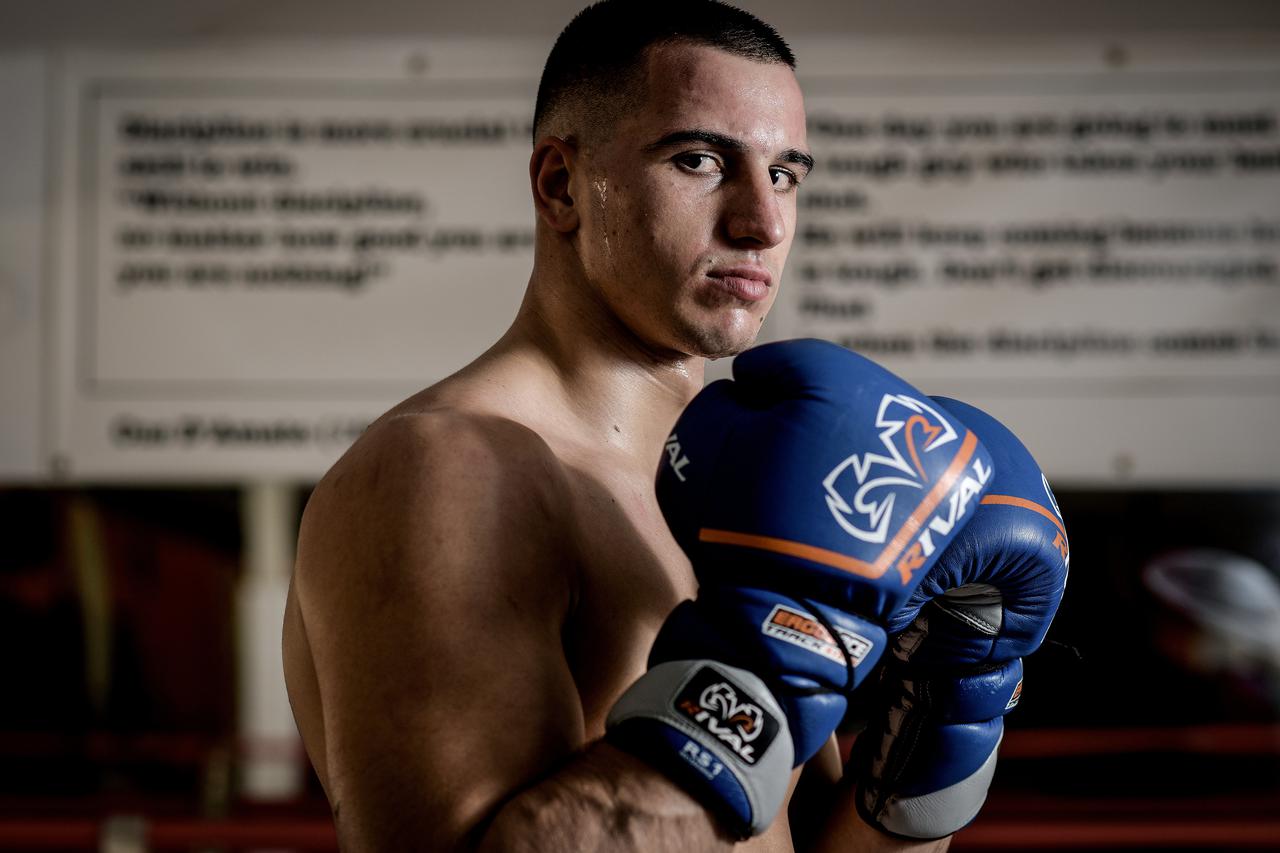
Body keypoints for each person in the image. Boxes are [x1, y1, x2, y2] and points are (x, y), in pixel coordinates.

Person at [282, 2, 1066, 850]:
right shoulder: (446, 473)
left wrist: (939, 729)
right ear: (561, 185)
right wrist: (767, 675)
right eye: (699, 160)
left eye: (785, 175)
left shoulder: (751, 476)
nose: (762, 223)